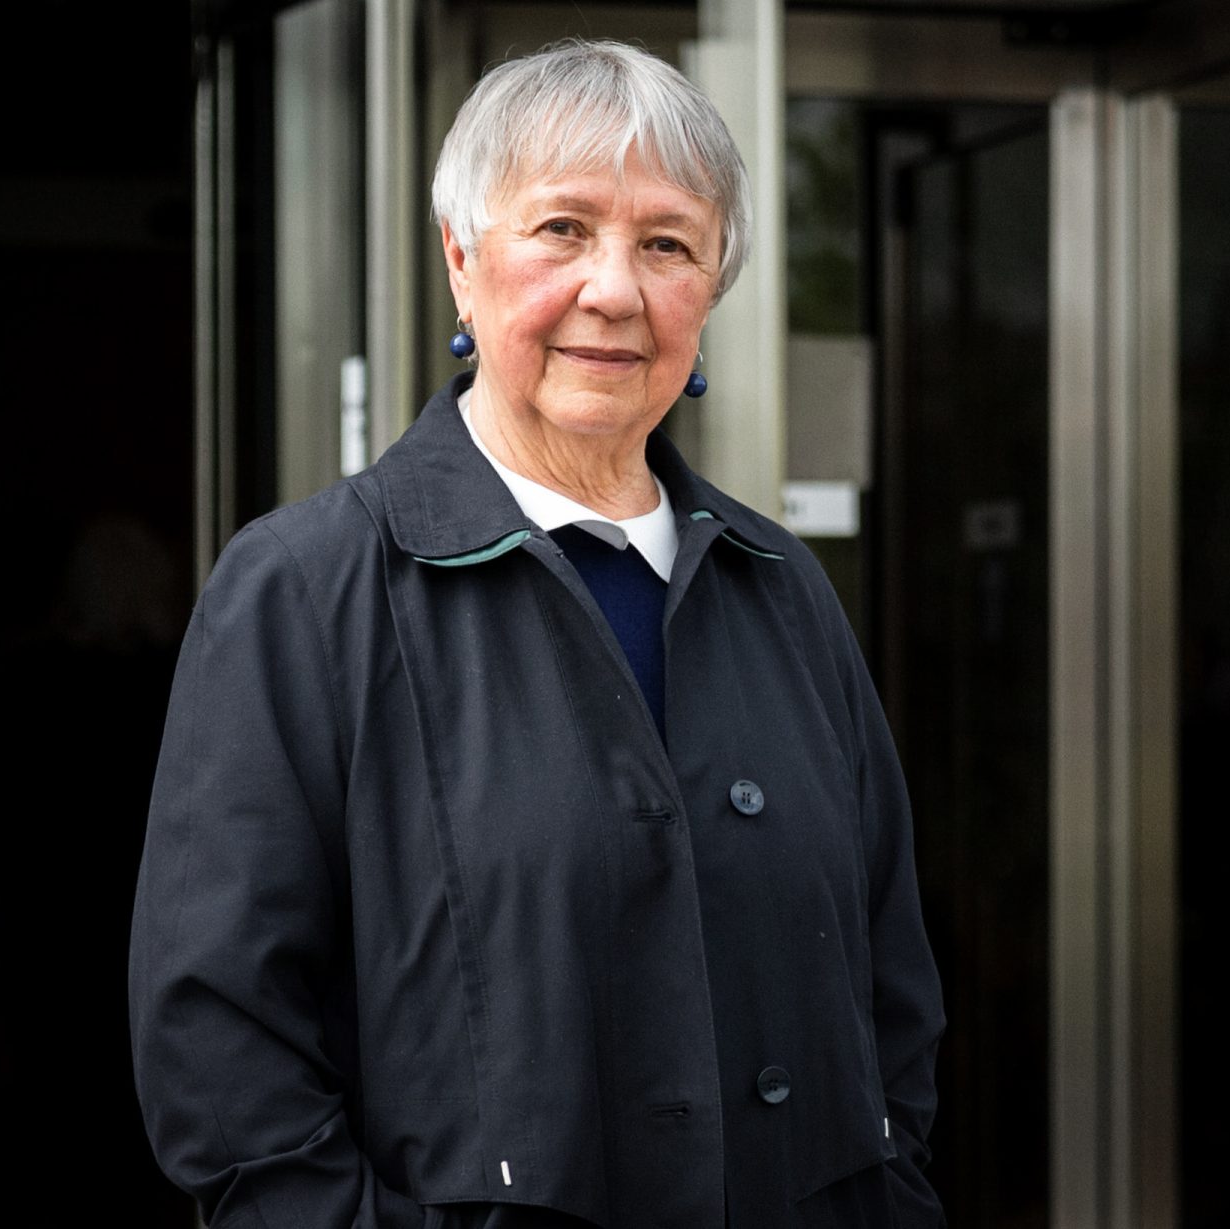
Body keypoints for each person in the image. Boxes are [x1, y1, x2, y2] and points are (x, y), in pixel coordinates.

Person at [129, 39, 945, 1229]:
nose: (615, 288)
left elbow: (893, 995)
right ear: (461, 260)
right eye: (563, 228)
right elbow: (222, 1056)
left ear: (710, 289)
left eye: (667, 244)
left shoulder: (783, 587)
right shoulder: (303, 591)